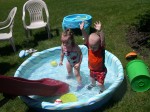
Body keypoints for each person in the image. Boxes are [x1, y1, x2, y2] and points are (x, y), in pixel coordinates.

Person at [80, 21, 107, 93]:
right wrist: (82, 30)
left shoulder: (101, 49)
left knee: (100, 84)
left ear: (99, 45)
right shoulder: (89, 47)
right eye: (91, 46)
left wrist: (100, 31)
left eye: (94, 47)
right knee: (92, 79)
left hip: (101, 71)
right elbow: (86, 37)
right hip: (92, 70)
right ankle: (93, 84)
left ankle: (103, 90)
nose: (92, 48)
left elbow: (103, 40)